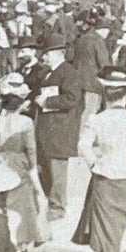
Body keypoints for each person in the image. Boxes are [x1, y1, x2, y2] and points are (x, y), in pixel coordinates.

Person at [74, 68, 126, 252]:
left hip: (105, 174)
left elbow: (83, 146)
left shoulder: (96, 119)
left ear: (106, 96)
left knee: (108, 225)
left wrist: (94, 165)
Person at [0, 75, 49, 251]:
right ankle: (23, 243)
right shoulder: (26, 122)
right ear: (19, 106)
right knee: (23, 202)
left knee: (2, 200)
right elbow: (31, 150)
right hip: (18, 162)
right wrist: (34, 171)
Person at [32, 43, 82, 218]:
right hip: (47, 129)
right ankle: (49, 204)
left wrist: (47, 102)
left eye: (46, 53)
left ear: (57, 53)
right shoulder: (47, 72)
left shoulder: (69, 72)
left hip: (60, 130)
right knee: (46, 168)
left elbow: (72, 99)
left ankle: (57, 208)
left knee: (57, 171)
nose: (43, 57)